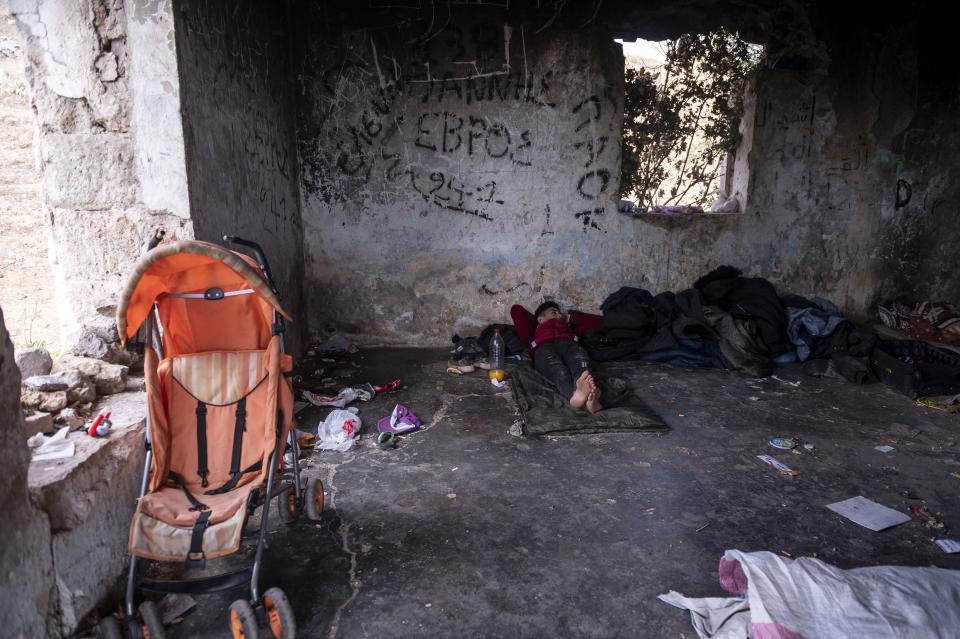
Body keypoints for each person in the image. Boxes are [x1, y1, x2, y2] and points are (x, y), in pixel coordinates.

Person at [531, 301, 602, 413]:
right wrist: (538, 318)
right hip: (545, 348)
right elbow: (516, 310)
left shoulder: (569, 328)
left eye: (560, 314)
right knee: (559, 371)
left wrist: (569, 318)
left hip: (570, 345)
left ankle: (583, 397)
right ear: (540, 319)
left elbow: (599, 322)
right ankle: (583, 398)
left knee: (582, 364)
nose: (559, 316)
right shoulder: (534, 330)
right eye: (554, 312)